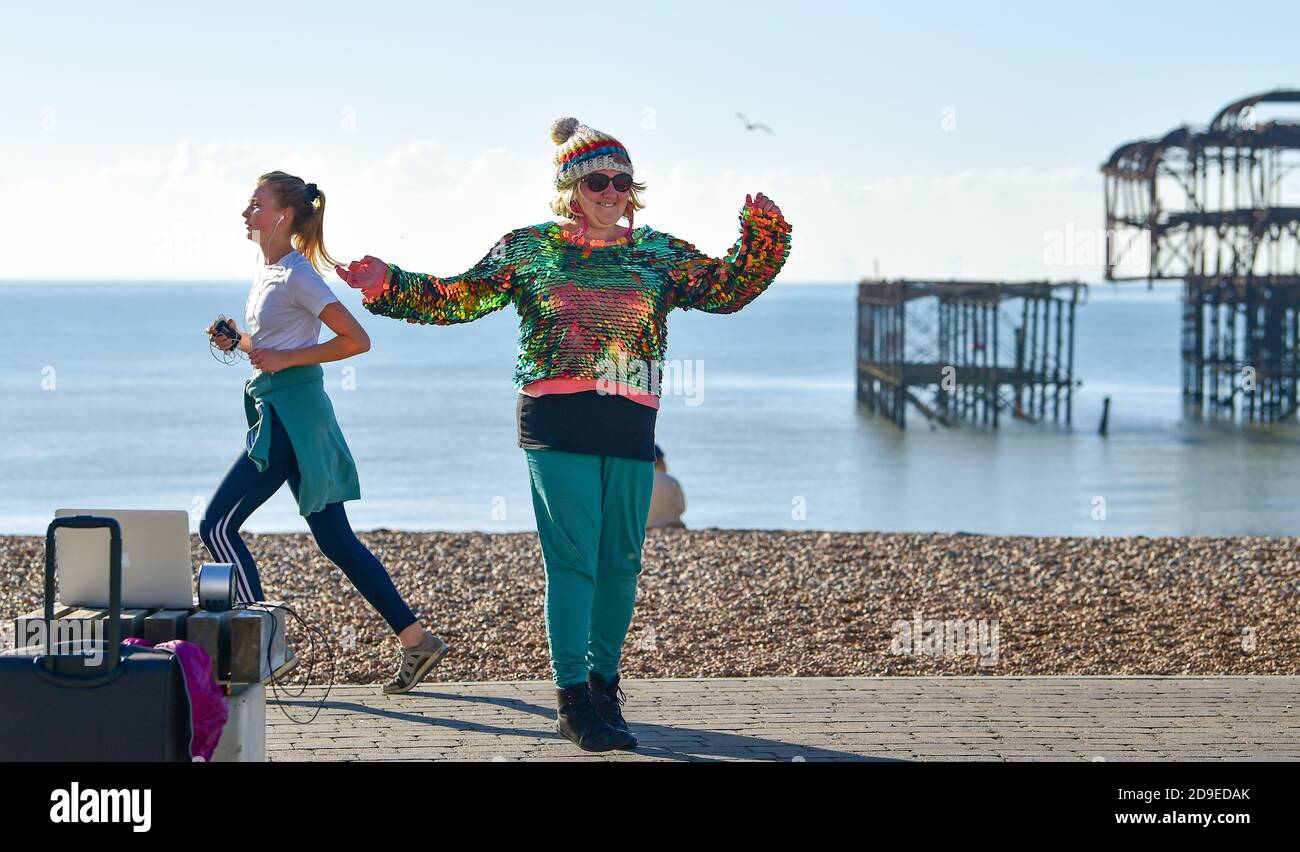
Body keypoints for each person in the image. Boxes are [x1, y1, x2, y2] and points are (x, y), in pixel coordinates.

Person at [336, 117, 793, 751]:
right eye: (598, 180)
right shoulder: (528, 249)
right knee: (574, 561)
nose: (611, 192)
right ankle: (572, 701)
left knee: (621, 563)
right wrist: (390, 285)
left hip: (630, 419)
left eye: (622, 182)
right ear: (570, 188)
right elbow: (459, 296)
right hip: (555, 421)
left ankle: (606, 692)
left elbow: (730, 288)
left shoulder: (657, 255)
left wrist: (762, 236)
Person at [202, 170, 450, 696]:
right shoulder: (269, 273)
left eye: (255, 204)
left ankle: (267, 648)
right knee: (336, 540)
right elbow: (273, 351)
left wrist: (285, 356)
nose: (246, 212)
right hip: (285, 411)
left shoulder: (298, 275)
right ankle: (416, 640)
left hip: (291, 419)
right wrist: (239, 343)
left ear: (282, 215)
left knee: (217, 526)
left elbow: (356, 340)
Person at [646, 444, 687, 529]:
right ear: (662, 461)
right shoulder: (672, 481)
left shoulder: (643, 482)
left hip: (648, 527)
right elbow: (682, 508)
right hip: (673, 525)